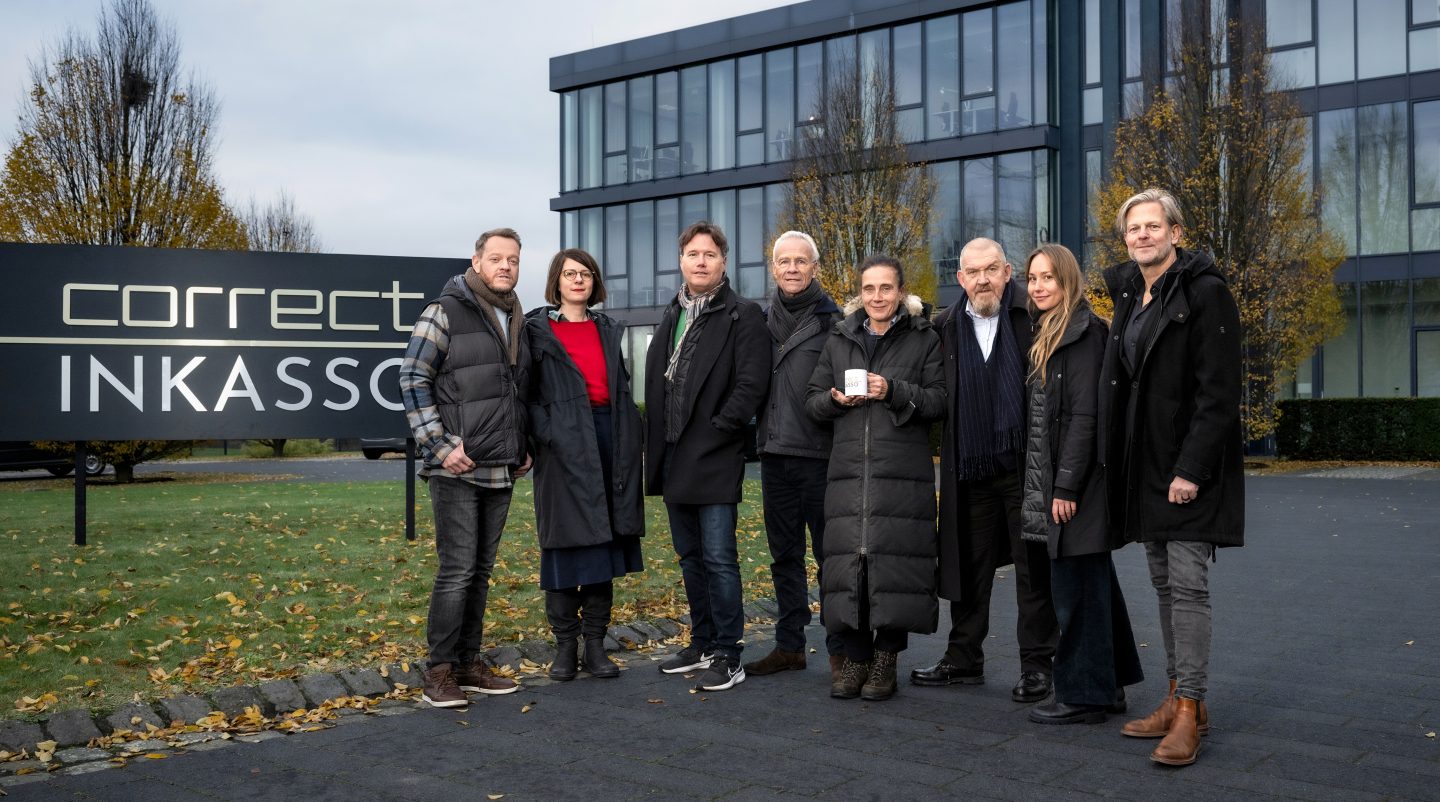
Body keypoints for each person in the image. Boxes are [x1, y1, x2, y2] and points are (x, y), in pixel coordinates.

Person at [1099, 188, 1244, 766]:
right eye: (1133, 228)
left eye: (1153, 226)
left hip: (1188, 470)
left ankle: (1191, 709)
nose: (1142, 235)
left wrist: (1191, 469)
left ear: (1176, 233)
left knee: (1187, 588)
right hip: (1146, 467)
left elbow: (1220, 392)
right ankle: (1177, 694)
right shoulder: (1130, 294)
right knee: (1163, 585)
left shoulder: (1206, 293)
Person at [917, 237, 1059, 703]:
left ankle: (1037, 666)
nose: (982, 280)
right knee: (967, 568)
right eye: (973, 272)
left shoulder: (1032, 315)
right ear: (960, 279)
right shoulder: (943, 326)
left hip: (1024, 467)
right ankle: (963, 659)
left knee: (1033, 571)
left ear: (1007, 272)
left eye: (991, 269)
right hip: (969, 468)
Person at [400, 227, 531, 707]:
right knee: (456, 570)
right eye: (496, 258)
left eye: (513, 260)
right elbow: (413, 377)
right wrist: (438, 446)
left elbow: (513, 391)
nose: (505, 266)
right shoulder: (445, 310)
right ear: (476, 262)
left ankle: (468, 665)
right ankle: (438, 672)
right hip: (456, 465)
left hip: (500, 466)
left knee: (480, 571)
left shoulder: (515, 315)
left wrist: (523, 444)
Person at [805, 255, 945, 702]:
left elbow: (940, 401)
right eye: (869, 288)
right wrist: (834, 400)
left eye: (886, 288)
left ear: (901, 292)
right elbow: (812, 401)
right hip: (848, 473)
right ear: (860, 293)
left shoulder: (924, 338)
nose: (878, 297)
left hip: (901, 474)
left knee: (894, 565)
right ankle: (856, 658)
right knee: (852, 566)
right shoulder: (840, 338)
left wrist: (893, 390)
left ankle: (886, 661)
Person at [1017, 244, 1144, 726]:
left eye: (1048, 277)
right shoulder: (1051, 330)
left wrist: (1066, 487)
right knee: (1095, 586)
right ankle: (1109, 685)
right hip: (1061, 481)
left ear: (1068, 280)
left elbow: (1086, 417)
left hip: (1076, 486)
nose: (1038, 286)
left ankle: (1084, 696)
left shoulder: (1083, 334)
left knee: (1076, 592)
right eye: (1033, 278)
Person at [644, 221, 770, 692]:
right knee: (690, 558)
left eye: (710, 254)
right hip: (674, 456)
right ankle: (701, 643)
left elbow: (752, 384)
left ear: (723, 261)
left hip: (715, 454)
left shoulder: (743, 315)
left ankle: (729, 654)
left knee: (719, 559)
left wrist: (721, 427)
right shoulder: (672, 313)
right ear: (681, 261)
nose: (701, 261)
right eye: (693, 254)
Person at [524, 249, 645, 682]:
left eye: (586, 274)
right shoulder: (536, 331)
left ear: (594, 282)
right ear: (556, 281)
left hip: (608, 439)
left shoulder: (607, 328)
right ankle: (565, 648)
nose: (578, 280)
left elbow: (621, 386)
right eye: (569, 273)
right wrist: (548, 433)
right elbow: (526, 392)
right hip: (561, 445)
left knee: (601, 550)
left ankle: (595, 646)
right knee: (563, 547)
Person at [744, 231, 846, 682]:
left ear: (814, 267)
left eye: (800, 261)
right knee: (783, 556)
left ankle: (841, 649)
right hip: (773, 455)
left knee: (830, 558)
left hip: (819, 456)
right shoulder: (759, 320)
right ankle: (789, 647)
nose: (791, 268)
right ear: (773, 268)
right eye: (783, 261)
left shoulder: (834, 322)